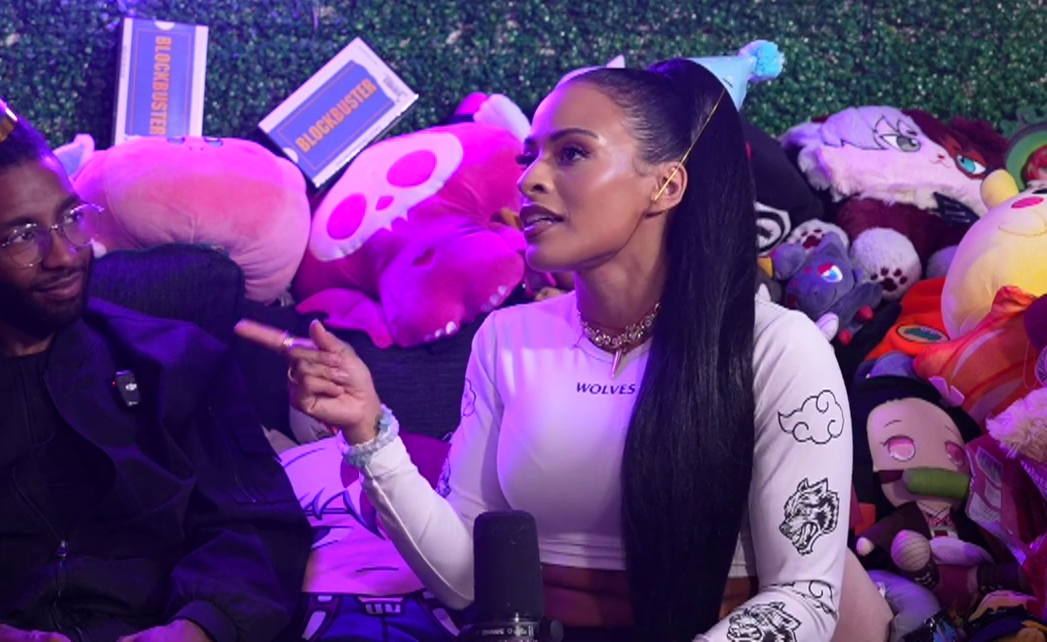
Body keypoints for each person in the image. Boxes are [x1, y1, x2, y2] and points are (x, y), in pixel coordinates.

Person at [243, 59, 881, 642]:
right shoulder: (508, 338)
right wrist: (367, 431)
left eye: (571, 153)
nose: (529, 179)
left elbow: (804, 599)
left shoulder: (777, 349)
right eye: (529, 156)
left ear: (666, 185)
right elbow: (464, 579)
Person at [0, 23, 311, 642]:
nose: (64, 254)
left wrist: (196, 629)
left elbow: (255, 525)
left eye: (70, 218)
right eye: (22, 236)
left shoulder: (181, 360)